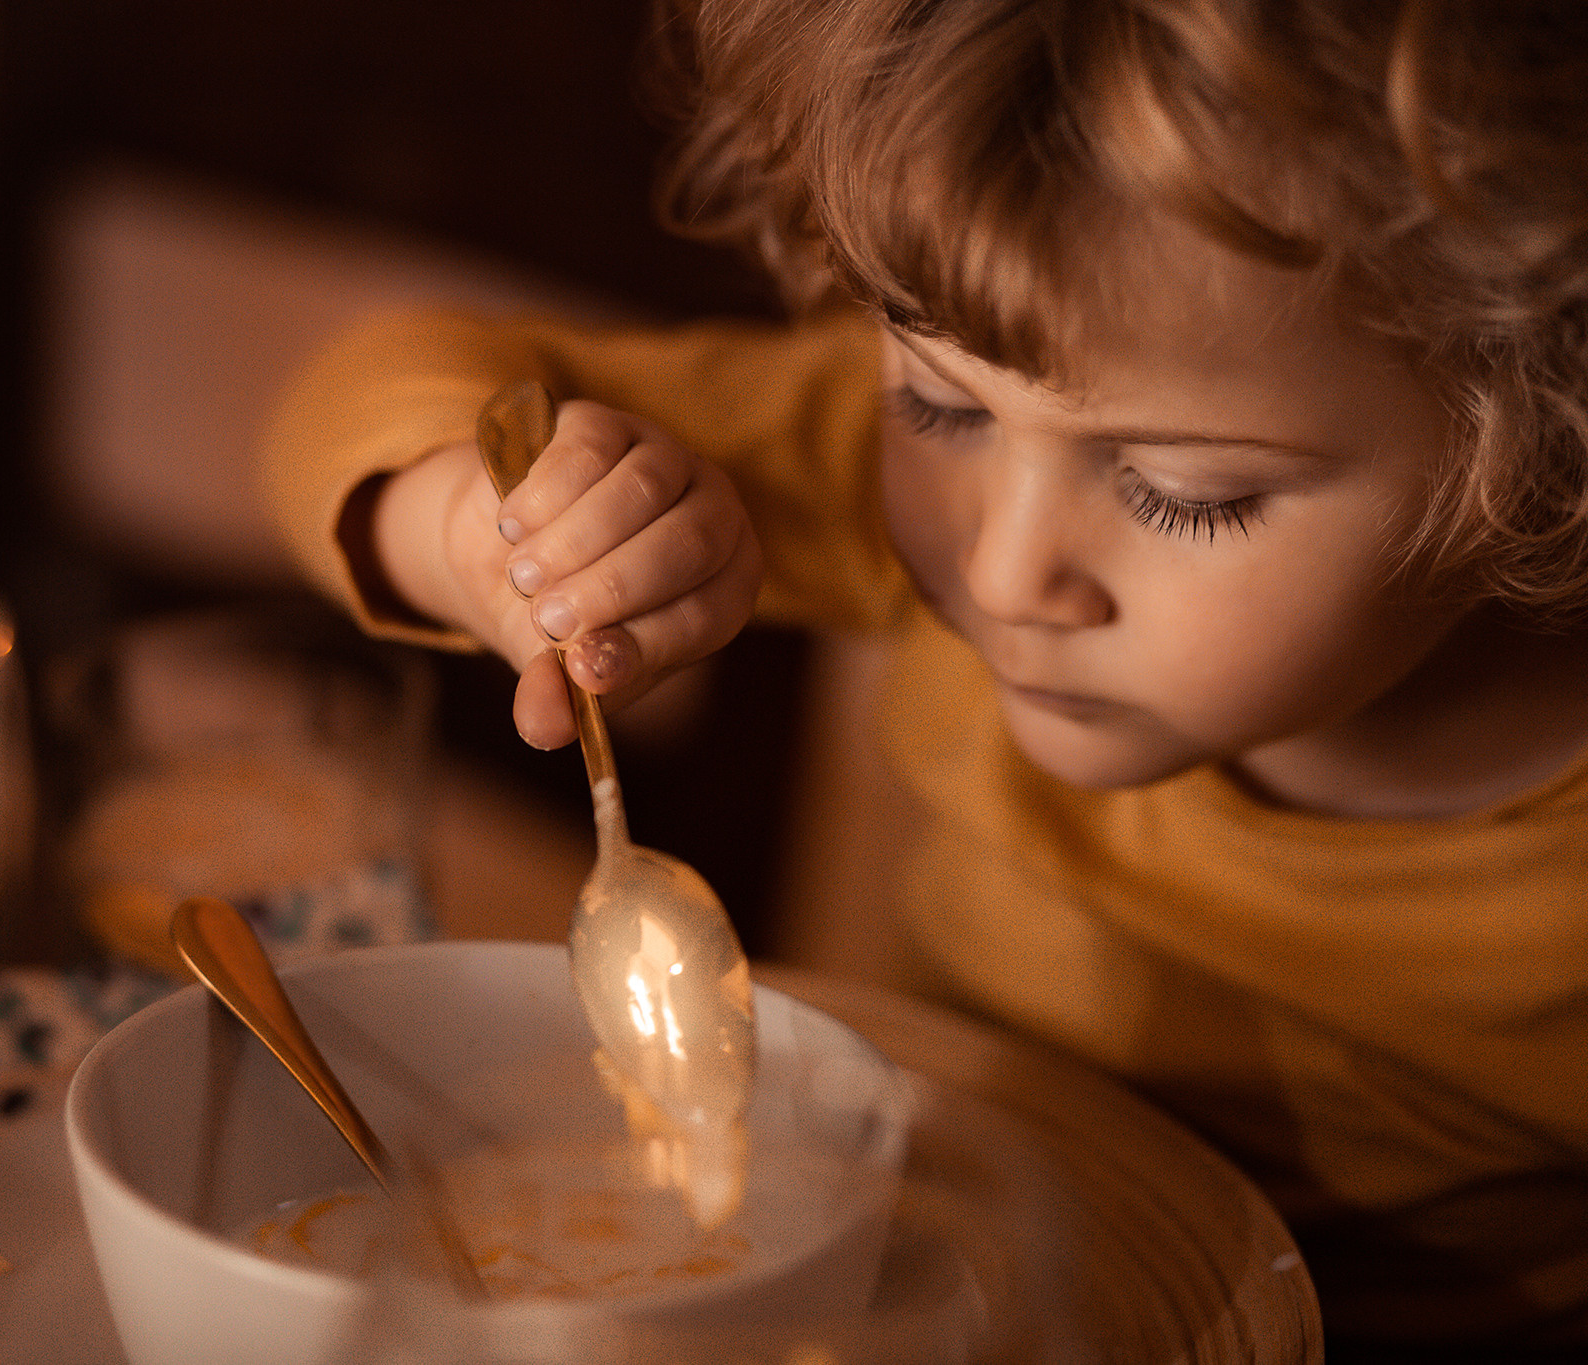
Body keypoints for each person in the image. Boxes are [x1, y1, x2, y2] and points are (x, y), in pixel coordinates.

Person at [258, 0, 1588, 1351]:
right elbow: (369, 381)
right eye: (940, 406)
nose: (1006, 571)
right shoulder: (905, 454)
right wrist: (487, 534)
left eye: (1184, 492)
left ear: (1544, 426)